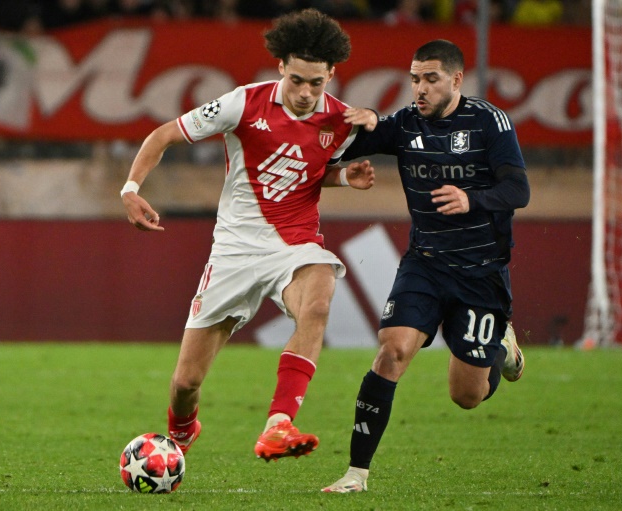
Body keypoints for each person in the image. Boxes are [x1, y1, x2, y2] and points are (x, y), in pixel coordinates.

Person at [120, 8, 374, 463]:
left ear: (332, 75)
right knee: (186, 383)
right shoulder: (242, 103)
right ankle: (182, 427)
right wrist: (131, 189)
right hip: (235, 250)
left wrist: (342, 177)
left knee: (318, 300)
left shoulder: (342, 123)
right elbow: (162, 136)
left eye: (316, 83)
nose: (305, 92)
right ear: (281, 66)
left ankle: (278, 424)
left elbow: (312, 172)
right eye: (297, 79)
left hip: (294, 245)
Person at [322, 39, 530, 493]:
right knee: (391, 351)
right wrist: (360, 125)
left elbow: (519, 192)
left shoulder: (489, 122)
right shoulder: (405, 124)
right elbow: (346, 147)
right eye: (415, 78)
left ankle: (502, 348)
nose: (420, 87)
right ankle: (357, 473)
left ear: (456, 79)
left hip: (480, 272)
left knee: (466, 396)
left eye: (431, 78)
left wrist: (471, 199)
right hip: (425, 264)